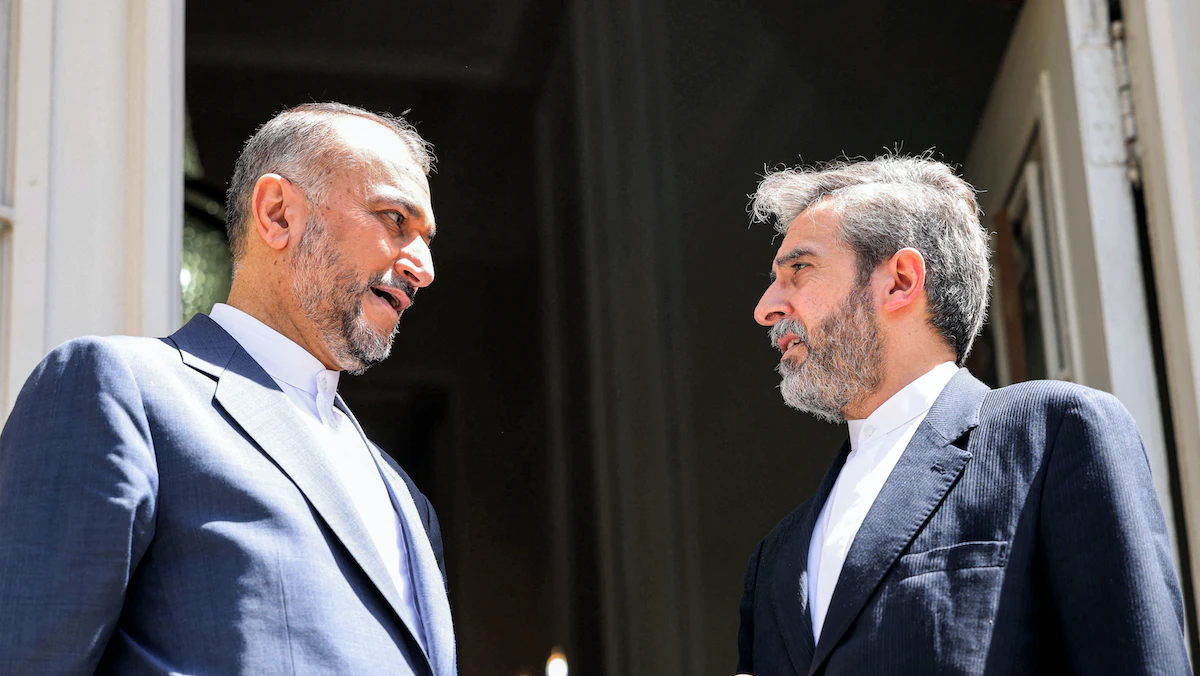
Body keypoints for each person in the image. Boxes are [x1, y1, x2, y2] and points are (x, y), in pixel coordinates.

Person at [0, 103, 455, 675]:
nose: (424, 267)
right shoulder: (122, 390)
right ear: (278, 213)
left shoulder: (406, 499)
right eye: (395, 219)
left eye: (426, 239)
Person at [735, 155, 1189, 675]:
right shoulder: (773, 560)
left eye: (799, 269)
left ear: (901, 281)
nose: (766, 307)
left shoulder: (1055, 433)